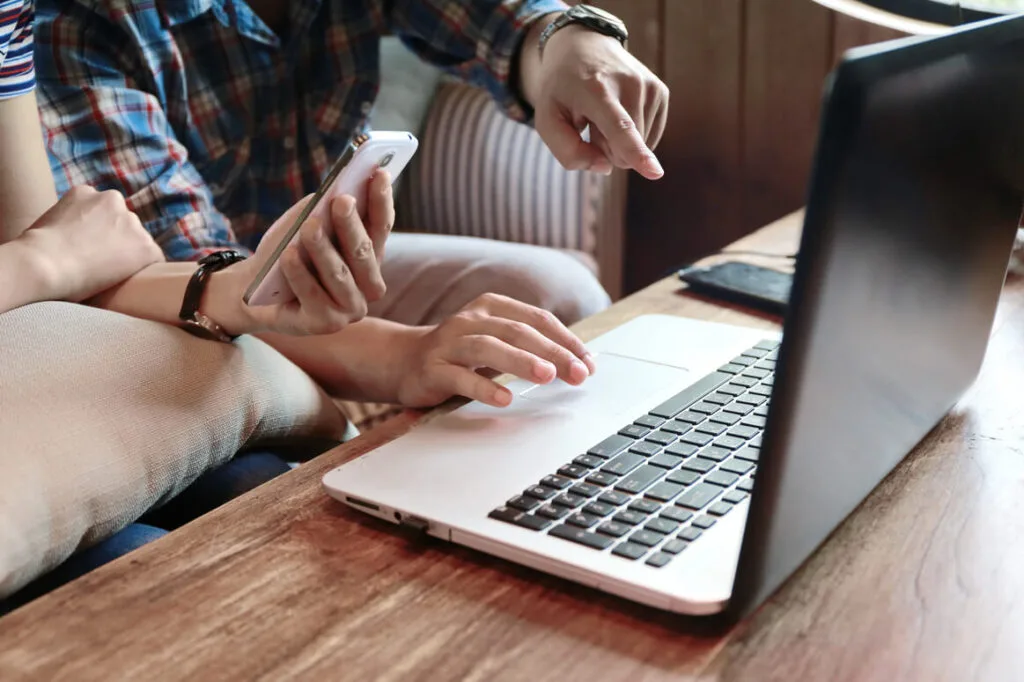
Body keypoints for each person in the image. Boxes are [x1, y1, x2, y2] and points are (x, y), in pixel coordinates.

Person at [33, 0, 670, 410]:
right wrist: (406, 356)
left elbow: (497, 20)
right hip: (176, 307)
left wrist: (566, 41)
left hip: (305, 271)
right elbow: (193, 287)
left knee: (553, 293)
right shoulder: (77, 22)